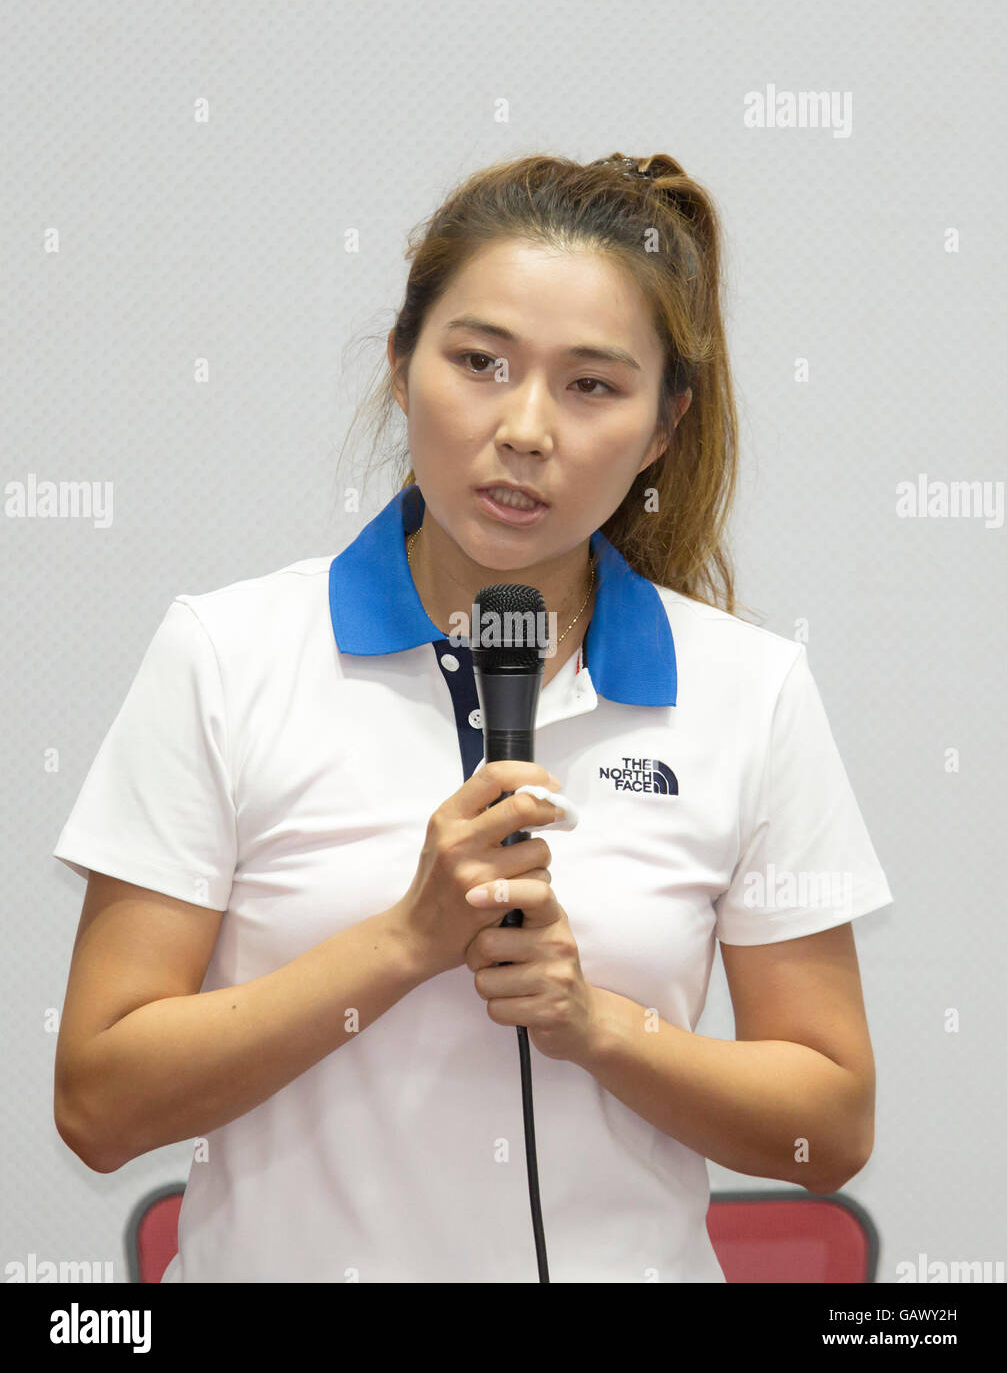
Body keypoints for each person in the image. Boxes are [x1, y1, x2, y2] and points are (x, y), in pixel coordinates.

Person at [52, 152, 893, 1283]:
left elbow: (827, 1129)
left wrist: (597, 1025)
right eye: (479, 362)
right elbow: (100, 1106)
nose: (527, 428)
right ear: (401, 367)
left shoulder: (748, 690)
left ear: (661, 428)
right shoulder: (227, 654)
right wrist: (402, 944)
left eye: (592, 385)